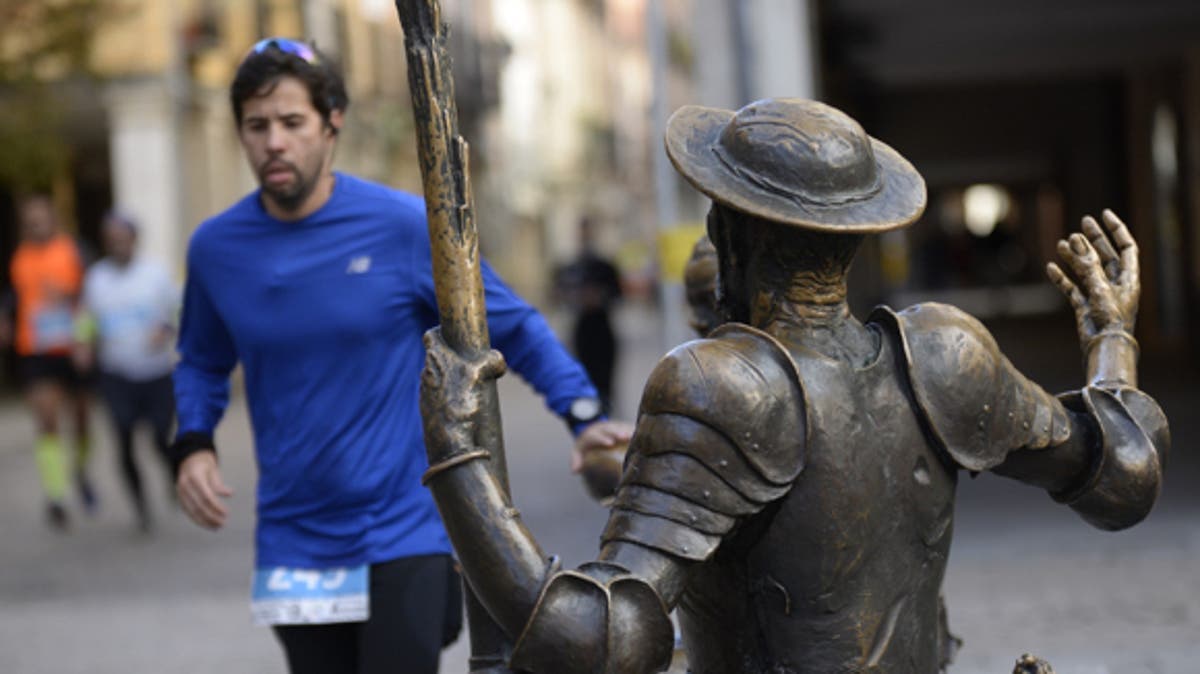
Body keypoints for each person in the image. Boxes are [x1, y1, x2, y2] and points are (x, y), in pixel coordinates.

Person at [418, 98, 1168, 673]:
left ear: (733, 236)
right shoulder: (946, 354)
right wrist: (1111, 338)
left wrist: (458, 456)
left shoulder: (721, 384)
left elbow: (600, 643)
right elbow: (1125, 477)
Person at [170, 38, 629, 674]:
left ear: (332, 124)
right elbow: (199, 358)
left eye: (292, 122)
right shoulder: (216, 249)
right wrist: (193, 441)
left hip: (402, 526)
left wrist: (582, 412)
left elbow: (514, 324)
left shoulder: (406, 227)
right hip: (293, 537)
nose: (274, 142)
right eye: (257, 125)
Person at [75, 212, 179, 533]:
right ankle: (141, 508)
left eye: (123, 237)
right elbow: (86, 318)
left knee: (161, 438)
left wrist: (164, 329)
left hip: (156, 372)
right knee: (123, 441)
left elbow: (178, 311)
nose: (118, 244)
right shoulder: (96, 278)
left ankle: (173, 477)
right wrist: (82, 344)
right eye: (111, 239)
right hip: (116, 373)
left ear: (135, 239)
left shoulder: (156, 274)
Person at [3, 194, 95, 530]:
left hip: (72, 348)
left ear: (53, 219)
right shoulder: (19, 258)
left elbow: (91, 296)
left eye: (40, 218)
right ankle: (55, 496)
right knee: (46, 420)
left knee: (82, 421)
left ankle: (81, 470)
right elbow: (13, 297)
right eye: (29, 221)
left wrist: (84, 337)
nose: (34, 225)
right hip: (36, 350)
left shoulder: (73, 250)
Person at [554, 217, 623, 412]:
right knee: (585, 381)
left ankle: (606, 414)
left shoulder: (604, 266)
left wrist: (599, 298)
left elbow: (618, 295)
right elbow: (559, 295)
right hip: (583, 331)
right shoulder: (570, 267)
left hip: (602, 330)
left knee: (605, 382)